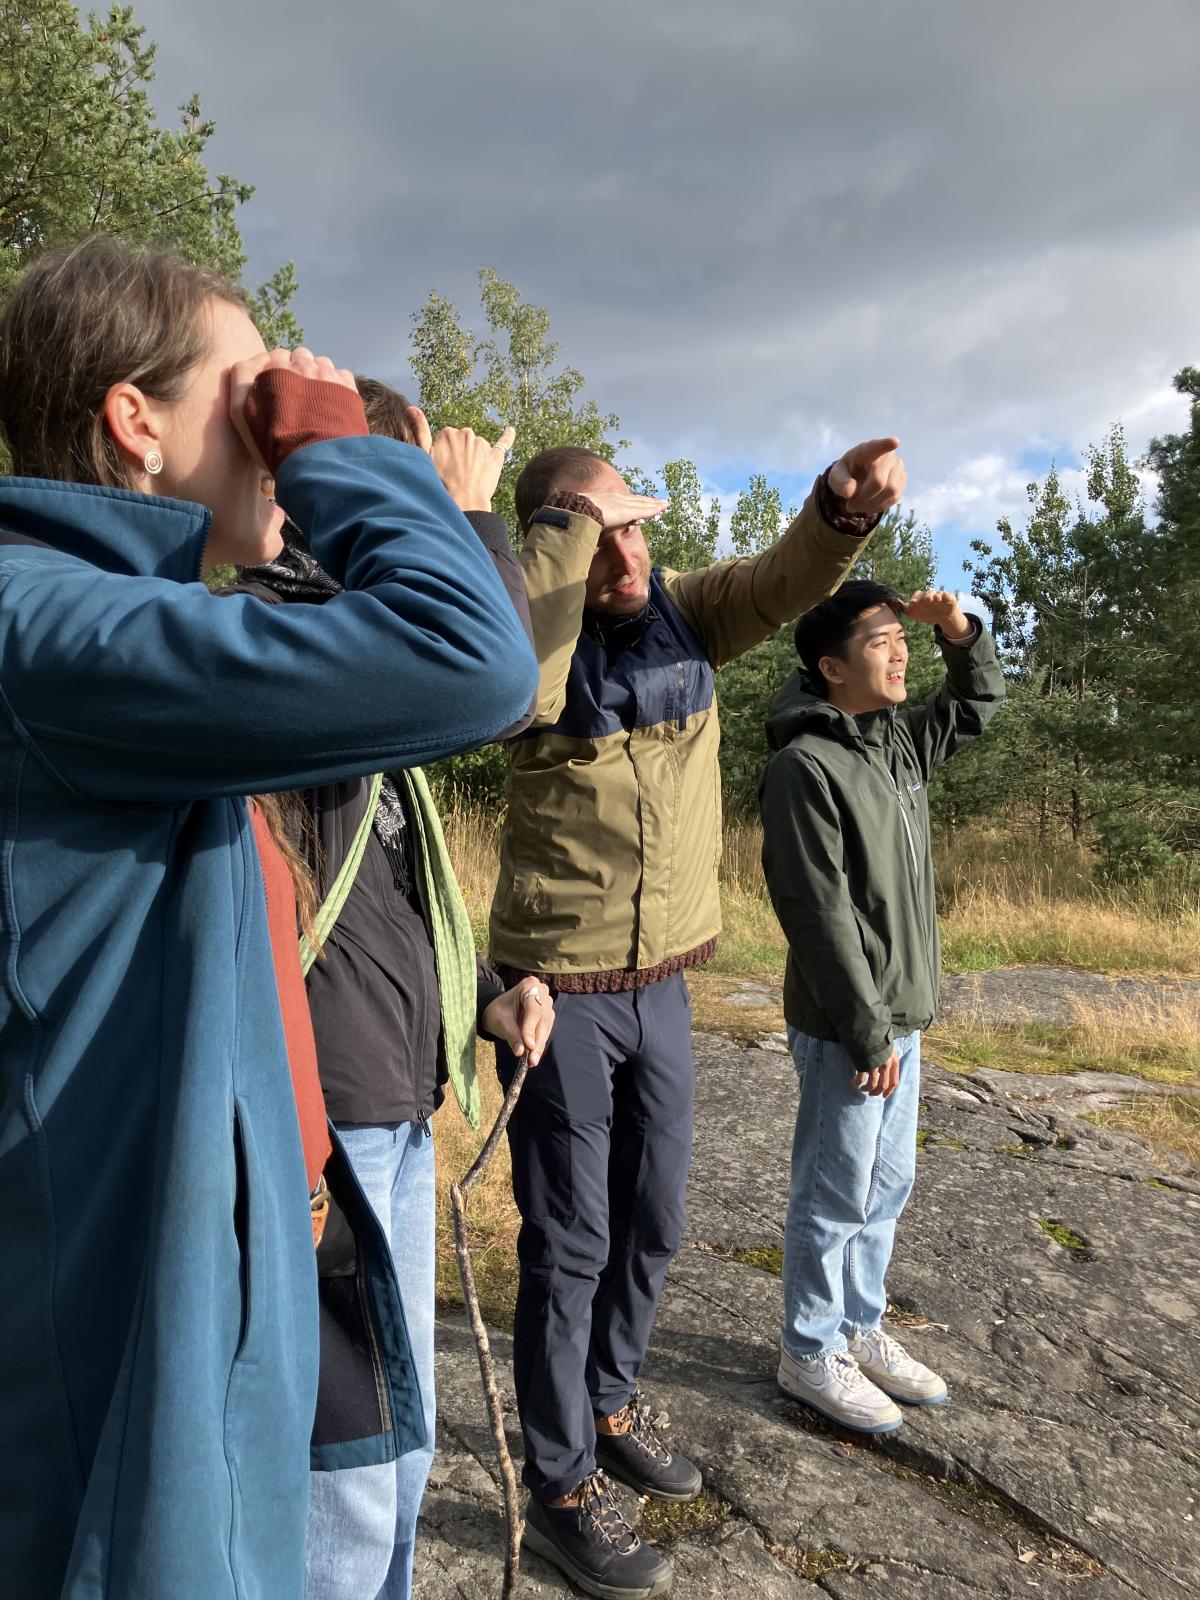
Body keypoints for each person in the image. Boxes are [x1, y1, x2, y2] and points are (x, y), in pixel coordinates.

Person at [0, 236, 537, 1600]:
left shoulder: (115, 620)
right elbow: (472, 664)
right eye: (254, 397)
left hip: (191, 1294)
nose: (283, 426)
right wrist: (340, 450)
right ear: (135, 420)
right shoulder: (54, 632)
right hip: (122, 1353)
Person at [489, 438, 905, 1597]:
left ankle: (610, 1399)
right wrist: (560, 543)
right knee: (568, 1243)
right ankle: (561, 1481)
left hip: (661, 982)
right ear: (558, 543)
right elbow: (513, 688)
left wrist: (838, 511)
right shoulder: (529, 642)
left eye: (635, 526)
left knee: (655, 1213)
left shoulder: (688, 616)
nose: (628, 550)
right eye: (599, 530)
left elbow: (785, 579)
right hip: (557, 989)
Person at [235, 381, 556, 1600]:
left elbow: (388, 890)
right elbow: (501, 681)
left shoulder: (347, 649)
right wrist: (468, 519)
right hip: (331, 1126)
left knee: (399, 1449)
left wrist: (478, 1000)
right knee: (351, 1466)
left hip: (396, 1101)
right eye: (403, 481)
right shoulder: (284, 637)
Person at [758, 581, 1004, 1433]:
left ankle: (858, 1326)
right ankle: (809, 1347)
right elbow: (817, 912)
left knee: (887, 1181)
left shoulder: (894, 744)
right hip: (847, 1023)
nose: (899, 651)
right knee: (835, 1189)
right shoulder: (805, 767)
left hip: (901, 1014)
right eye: (880, 640)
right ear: (831, 668)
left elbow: (974, 706)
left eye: (903, 638)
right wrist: (864, 1030)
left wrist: (958, 632)